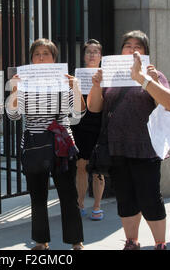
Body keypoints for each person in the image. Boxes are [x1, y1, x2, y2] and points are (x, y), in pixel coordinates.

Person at [87, 30, 169, 250]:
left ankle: (160, 244)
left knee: (150, 198)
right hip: (117, 147)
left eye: (138, 46)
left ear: (145, 53)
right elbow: (94, 108)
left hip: (145, 147)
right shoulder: (112, 75)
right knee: (125, 198)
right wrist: (96, 85)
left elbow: (167, 106)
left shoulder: (155, 75)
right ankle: (131, 242)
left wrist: (151, 81)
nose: (132, 50)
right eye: (128, 45)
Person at [6, 38, 85, 250]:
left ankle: (76, 242)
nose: (41, 58)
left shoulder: (64, 81)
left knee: (68, 194)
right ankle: (41, 241)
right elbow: (13, 115)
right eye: (37, 54)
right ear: (31, 59)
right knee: (37, 196)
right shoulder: (23, 83)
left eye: (46, 54)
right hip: (34, 144)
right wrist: (14, 90)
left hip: (61, 144)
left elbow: (79, 112)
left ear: (54, 59)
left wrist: (75, 88)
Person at [71, 39, 105, 221]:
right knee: (81, 166)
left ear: (100, 56)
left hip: (99, 124)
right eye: (89, 52)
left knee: (98, 168)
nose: (92, 55)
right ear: (83, 56)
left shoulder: (107, 76)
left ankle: (97, 206)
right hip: (81, 124)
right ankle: (81, 203)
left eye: (96, 51)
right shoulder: (77, 76)